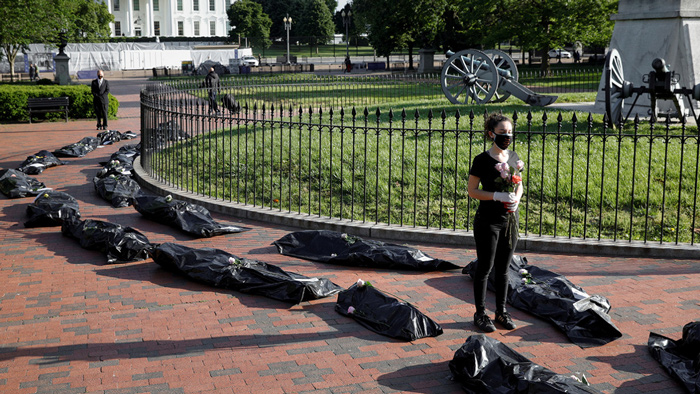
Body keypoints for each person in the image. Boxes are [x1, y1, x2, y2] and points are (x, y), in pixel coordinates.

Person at [467, 113, 523, 333]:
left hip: (510, 220)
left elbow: (519, 184)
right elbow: (472, 191)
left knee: (504, 270)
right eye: (502, 133)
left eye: (509, 132)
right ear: (491, 134)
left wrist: (516, 199)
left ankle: (501, 311)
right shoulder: (482, 160)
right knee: (484, 268)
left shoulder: (513, 157)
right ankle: (480, 314)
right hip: (488, 221)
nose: (507, 136)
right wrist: (496, 196)